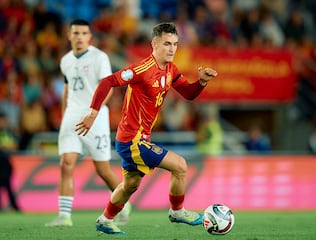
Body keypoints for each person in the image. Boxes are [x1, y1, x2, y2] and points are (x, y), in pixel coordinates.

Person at [75, 22, 218, 235]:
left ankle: (105, 219)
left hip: (139, 139)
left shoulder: (170, 69)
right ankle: (177, 212)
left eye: (175, 44)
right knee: (180, 166)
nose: (172, 49)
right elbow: (107, 82)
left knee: (130, 185)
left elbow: (188, 93)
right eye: (167, 43)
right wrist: (94, 112)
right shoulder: (142, 70)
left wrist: (202, 82)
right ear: (154, 44)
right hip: (132, 140)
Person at [45, 19, 129, 227]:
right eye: (76, 33)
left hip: (96, 118)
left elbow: (108, 88)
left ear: (89, 37)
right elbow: (67, 89)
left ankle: (123, 203)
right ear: (69, 36)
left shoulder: (99, 58)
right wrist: (65, 114)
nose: (80, 36)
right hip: (72, 118)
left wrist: (94, 112)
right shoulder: (65, 60)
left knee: (102, 170)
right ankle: (64, 216)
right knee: (66, 164)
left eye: (84, 33)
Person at [0, 112, 21, 212]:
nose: (4, 123)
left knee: (8, 186)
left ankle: (15, 207)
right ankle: (14, 207)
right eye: (2, 120)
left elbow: (15, 146)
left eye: (5, 120)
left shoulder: (9, 132)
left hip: (6, 163)